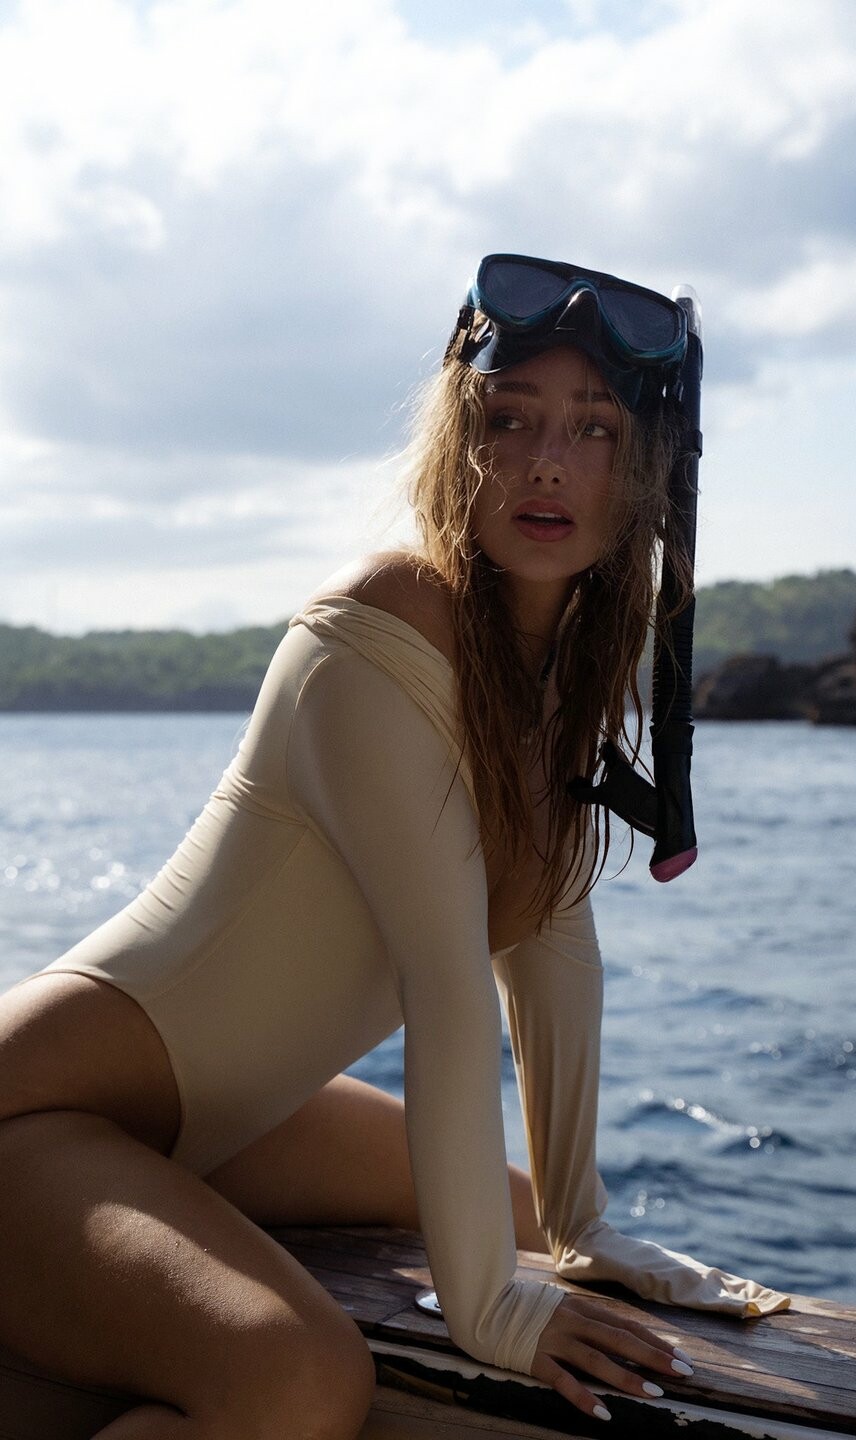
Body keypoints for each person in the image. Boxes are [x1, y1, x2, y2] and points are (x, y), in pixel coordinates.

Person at [0, 254, 789, 1439]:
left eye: (593, 428)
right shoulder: (379, 628)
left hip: (221, 1121)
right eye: (509, 418)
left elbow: (551, 953)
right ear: (457, 439)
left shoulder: (554, 678)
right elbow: (446, 985)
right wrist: (490, 1312)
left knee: (519, 1218)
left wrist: (579, 1228)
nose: (546, 462)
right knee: (297, 1380)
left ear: (644, 473)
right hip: (42, 1107)